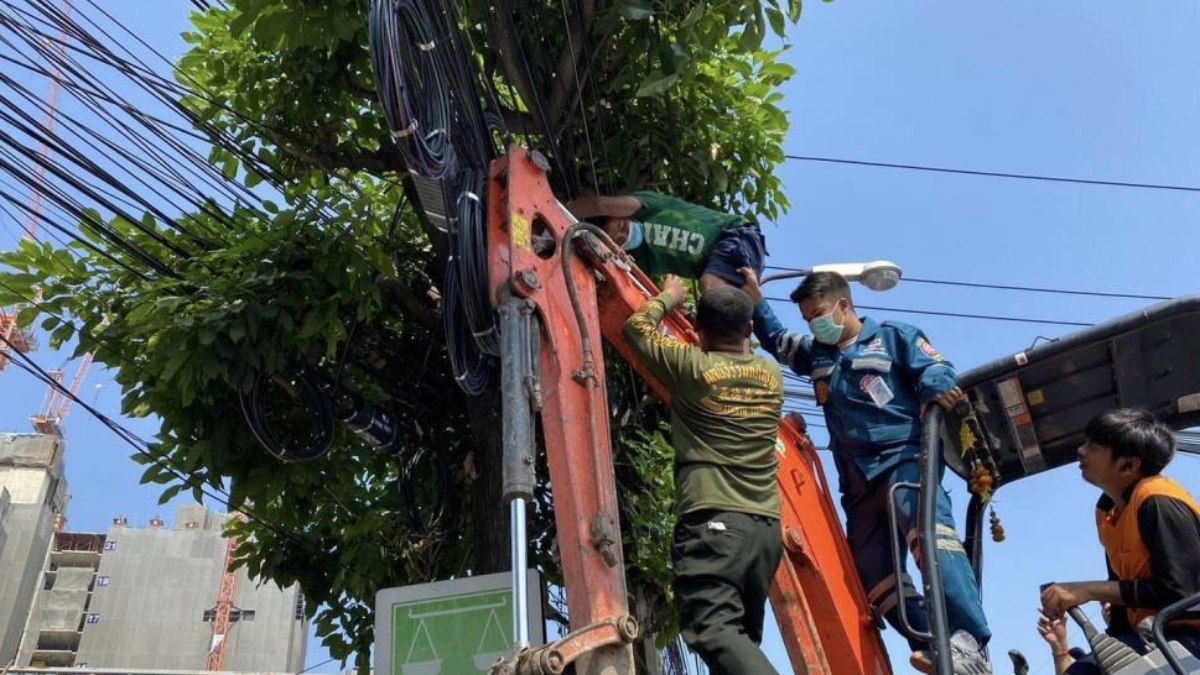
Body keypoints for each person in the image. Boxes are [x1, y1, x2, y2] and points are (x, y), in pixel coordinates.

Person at [742, 268, 993, 675]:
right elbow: (779, 343)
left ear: (843, 305)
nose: (813, 324)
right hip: (858, 488)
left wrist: (935, 387)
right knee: (876, 583)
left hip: (903, 462)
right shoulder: (820, 355)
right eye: (807, 320)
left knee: (931, 542)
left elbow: (936, 369)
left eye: (818, 314)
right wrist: (756, 301)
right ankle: (938, 646)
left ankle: (970, 642)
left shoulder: (894, 337)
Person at [623, 275, 784, 675]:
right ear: (749, 329)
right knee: (737, 648)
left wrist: (670, 297)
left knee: (713, 630)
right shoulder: (772, 375)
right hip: (764, 533)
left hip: (715, 525)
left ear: (698, 331)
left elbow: (636, 329)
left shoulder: (693, 369)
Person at [1040, 408, 1200, 674]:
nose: (1081, 451)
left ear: (1128, 465)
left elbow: (1181, 594)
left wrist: (1087, 590)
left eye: (1093, 446)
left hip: (1188, 641)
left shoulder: (1157, 500)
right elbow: (1124, 601)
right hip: (1157, 637)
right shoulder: (1109, 513)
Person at [567, 192, 766, 294]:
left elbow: (599, 204)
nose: (623, 233)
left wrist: (559, 212)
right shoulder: (638, 262)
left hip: (735, 236)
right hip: (719, 268)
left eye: (619, 225)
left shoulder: (652, 206)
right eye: (617, 239)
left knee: (711, 289)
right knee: (721, 316)